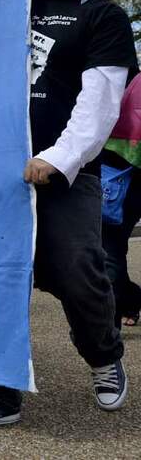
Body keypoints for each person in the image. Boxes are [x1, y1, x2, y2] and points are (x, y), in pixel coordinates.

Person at [0, 0, 137, 433]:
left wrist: (56, 159)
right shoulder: (4, 7)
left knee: (76, 271)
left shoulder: (103, 17)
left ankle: (103, 354)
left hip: (67, 174)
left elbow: (101, 101)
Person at [100, 78, 141, 327]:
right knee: (112, 252)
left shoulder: (126, 78)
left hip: (118, 178)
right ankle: (130, 301)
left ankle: (108, 329)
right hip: (120, 178)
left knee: (110, 252)